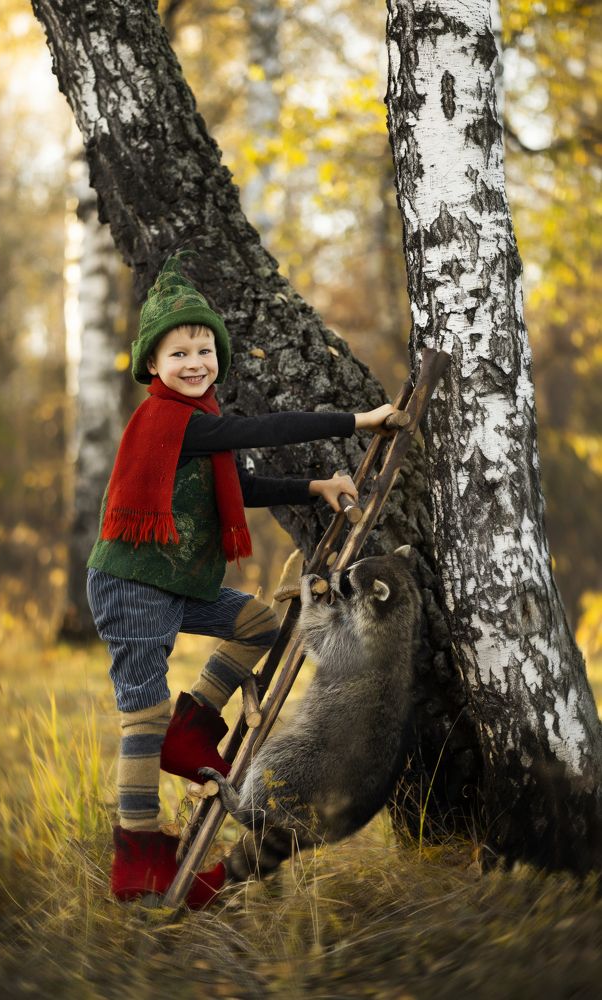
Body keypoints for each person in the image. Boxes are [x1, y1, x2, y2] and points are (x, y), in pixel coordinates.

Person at [86, 252, 402, 906]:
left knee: (257, 623)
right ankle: (138, 858)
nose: (194, 363)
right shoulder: (171, 421)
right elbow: (267, 429)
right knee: (140, 718)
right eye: (179, 354)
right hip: (132, 585)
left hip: (168, 582)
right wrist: (358, 421)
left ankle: (192, 727)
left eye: (204, 350)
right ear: (152, 366)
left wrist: (315, 486)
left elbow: (245, 484)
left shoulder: (198, 426)